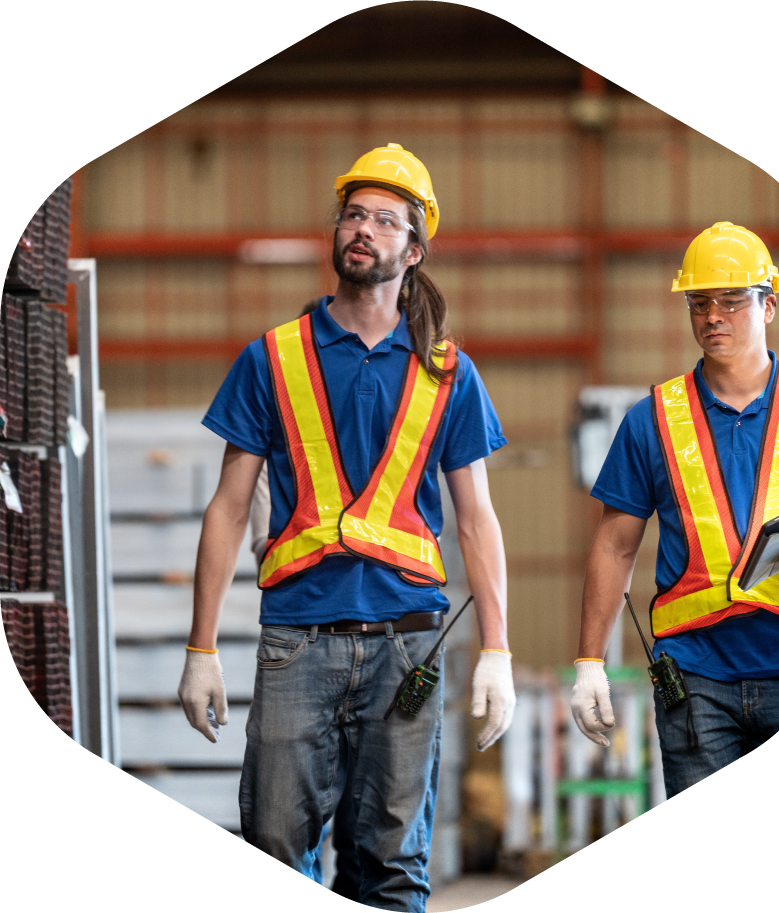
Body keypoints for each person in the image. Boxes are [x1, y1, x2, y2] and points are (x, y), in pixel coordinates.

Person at [177, 143, 516, 909]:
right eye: (354, 214)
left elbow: (477, 518)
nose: (363, 229)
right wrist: (200, 647)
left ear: (415, 249)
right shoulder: (271, 359)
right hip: (299, 641)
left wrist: (497, 647)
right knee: (270, 841)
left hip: (408, 643)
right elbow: (230, 506)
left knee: (393, 866)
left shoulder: (449, 373)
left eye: (385, 220)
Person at [571, 221, 779, 798]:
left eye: (731, 300)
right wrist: (588, 661)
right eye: (699, 302)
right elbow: (616, 544)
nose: (712, 315)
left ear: (769, 306)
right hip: (695, 679)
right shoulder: (652, 419)